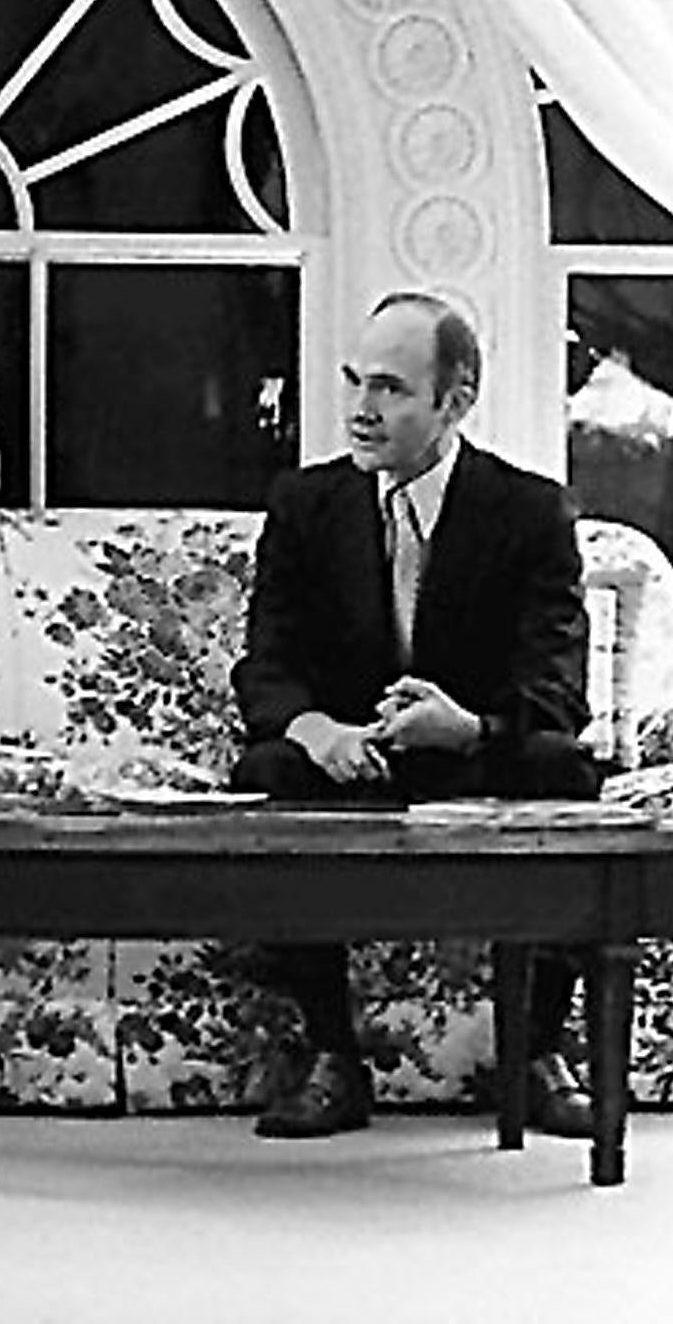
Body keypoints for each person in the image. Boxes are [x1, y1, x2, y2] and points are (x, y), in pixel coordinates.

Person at [230, 289, 601, 1141]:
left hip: (470, 750)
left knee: (564, 771)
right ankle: (330, 1055)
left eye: (391, 389)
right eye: (356, 382)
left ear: (455, 400)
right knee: (269, 774)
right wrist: (317, 730)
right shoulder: (304, 505)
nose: (362, 409)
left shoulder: (532, 512)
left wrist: (466, 724)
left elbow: (557, 688)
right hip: (346, 761)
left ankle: (537, 1051)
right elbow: (267, 663)